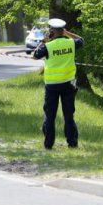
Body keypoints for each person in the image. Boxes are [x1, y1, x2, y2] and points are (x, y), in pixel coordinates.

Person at [32, 18, 84, 150]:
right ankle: (72, 143)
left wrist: (44, 41)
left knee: (50, 116)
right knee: (68, 115)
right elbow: (81, 39)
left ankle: (48, 144)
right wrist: (67, 33)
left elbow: (35, 55)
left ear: (51, 32)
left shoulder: (48, 46)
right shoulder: (71, 43)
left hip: (52, 85)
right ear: (62, 31)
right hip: (68, 84)